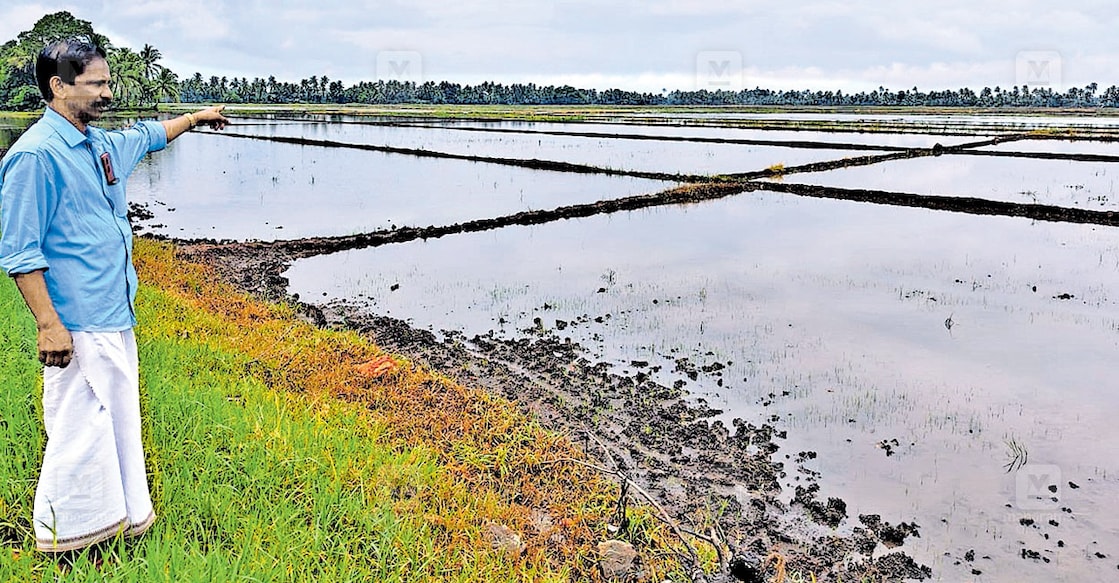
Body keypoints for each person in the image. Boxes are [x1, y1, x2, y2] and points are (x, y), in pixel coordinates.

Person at [0, 37, 229, 553]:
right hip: (76, 321)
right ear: (59, 87)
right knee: (78, 431)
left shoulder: (100, 145)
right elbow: (20, 250)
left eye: (108, 81)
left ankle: (113, 521)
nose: (108, 91)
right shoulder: (35, 157)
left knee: (117, 421)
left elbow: (150, 136)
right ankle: (64, 537)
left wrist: (194, 118)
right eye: (96, 83)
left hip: (113, 312)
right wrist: (47, 323)